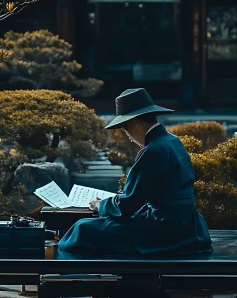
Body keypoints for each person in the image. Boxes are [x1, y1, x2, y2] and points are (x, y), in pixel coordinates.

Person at [58, 88, 213, 255]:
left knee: (82, 229)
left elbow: (129, 203)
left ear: (135, 122)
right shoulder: (173, 141)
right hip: (189, 225)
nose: (129, 137)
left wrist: (101, 205)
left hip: (165, 228)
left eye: (126, 129)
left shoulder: (153, 150)